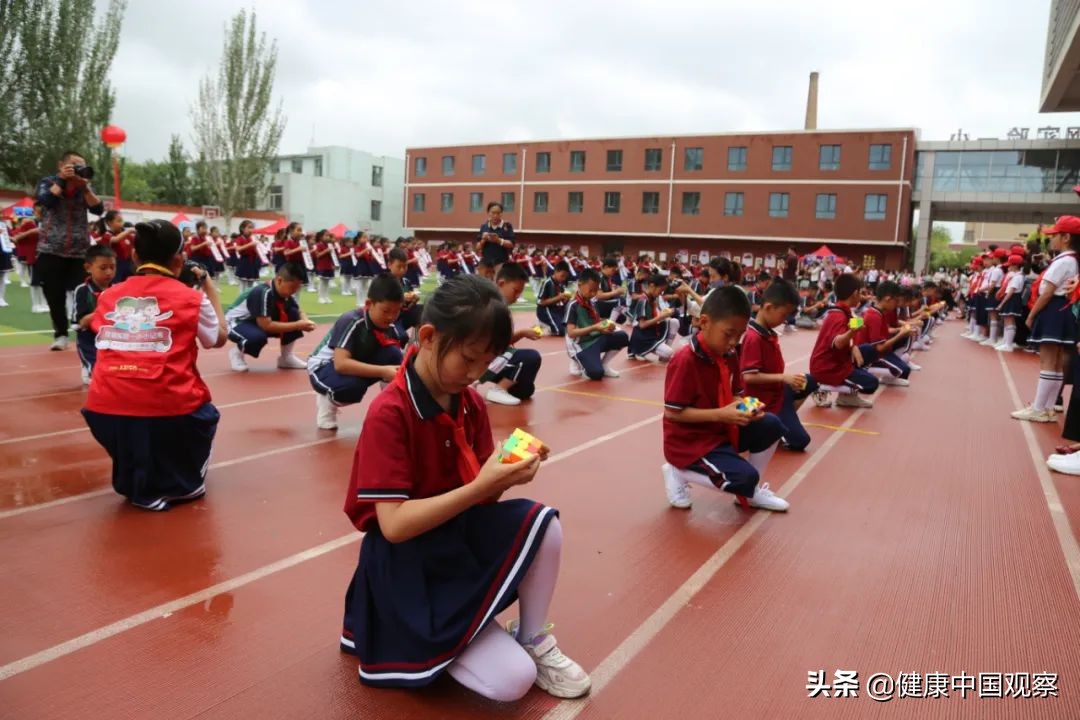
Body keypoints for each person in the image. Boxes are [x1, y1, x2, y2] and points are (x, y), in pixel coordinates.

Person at [339, 274, 590, 701]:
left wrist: (505, 474)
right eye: (468, 360)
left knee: (543, 524)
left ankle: (530, 635)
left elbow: (480, 491)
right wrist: (482, 488)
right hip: (407, 565)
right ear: (430, 337)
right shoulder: (390, 413)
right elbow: (395, 526)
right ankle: (446, 629)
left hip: (456, 538)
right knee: (512, 682)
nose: (475, 376)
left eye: (486, 364)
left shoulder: (469, 402)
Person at [81, 219, 227, 511]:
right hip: (168, 410)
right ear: (179, 260)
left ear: (134, 257)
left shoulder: (108, 295)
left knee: (134, 411)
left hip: (103, 410)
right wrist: (209, 287)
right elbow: (218, 339)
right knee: (201, 416)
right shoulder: (192, 298)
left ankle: (140, 480)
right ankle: (176, 485)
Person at [660, 286, 789, 512]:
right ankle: (677, 471)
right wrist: (722, 414)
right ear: (704, 322)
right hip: (691, 443)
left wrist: (747, 406)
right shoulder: (685, 360)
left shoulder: (730, 354)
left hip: (722, 430)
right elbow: (673, 412)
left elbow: (737, 393)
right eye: (729, 334)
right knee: (744, 479)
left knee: (772, 424)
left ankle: (751, 492)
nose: (734, 341)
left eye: (740, 335)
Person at [308, 274, 404, 430]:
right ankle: (327, 402)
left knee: (394, 355)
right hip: (324, 367)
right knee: (353, 387)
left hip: (356, 361)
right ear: (369, 304)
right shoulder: (351, 321)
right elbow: (340, 364)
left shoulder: (390, 328)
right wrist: (383, 371)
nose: (391, 317)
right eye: (386, 311)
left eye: (397, 311)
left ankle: (388, 407)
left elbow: (397, 359)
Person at [36, 150, 106, 350]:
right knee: (54, 294)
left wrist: (84, 188)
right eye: (74, 165)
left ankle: (85, 333)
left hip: (79, 251)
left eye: (81, 166)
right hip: (51, 248)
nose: (78, 169)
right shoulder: (48, 182)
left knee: (83, 293)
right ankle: (60, 334)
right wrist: (61, 180)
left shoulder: (84, 186)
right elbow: (46, 201)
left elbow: (98, 210)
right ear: (61, 165)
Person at [1014, 216, 1080, 423]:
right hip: (1062, 309)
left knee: (1048, 361)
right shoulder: (1072, 260)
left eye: (1054, 235)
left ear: (1066, 237)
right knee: (1057, 362)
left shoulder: (1065, 261)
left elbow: (1048, 291)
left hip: (1053, 309)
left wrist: (1032, 315)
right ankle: (1048, 407)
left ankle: (1040, 407)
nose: (1051, 239)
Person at [740, 279, 818, 452]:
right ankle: (775, 426)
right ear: (768, 308)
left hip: (776, 393)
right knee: (800, 441)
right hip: (759, 400)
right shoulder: (753, 338)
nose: (785, 320)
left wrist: (788, 380)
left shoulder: (768, 332)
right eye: (783, 315)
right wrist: (784, 378)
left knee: (809, 380)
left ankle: (785, 418)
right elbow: (749, 377)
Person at [225, 262, 317, 372]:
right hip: (235, 323)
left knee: (293, 313)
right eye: (292, 288)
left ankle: (286, 357)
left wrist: (305, 321)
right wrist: (298, 325)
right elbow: (266, 325)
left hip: (254, 321)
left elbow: (298, 310)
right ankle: (236, 352)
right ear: (279, 280)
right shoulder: (262, 292)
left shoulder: (283, 292)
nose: (294, 291)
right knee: (257, 337)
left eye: (297, 288)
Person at [808, 273, 880, 408]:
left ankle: (847, 397)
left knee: (869, 350)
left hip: (838, 361)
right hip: (827, 368)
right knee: (871, 384)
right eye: (861, 293)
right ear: (854, 293)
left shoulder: (844, 310)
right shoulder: (837, 315)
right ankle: (819, 385)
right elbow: (838, 342)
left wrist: (853, 346)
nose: (862, 296)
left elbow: (849, 335)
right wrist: (854, 331)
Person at [479, 262, 543, 405]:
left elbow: (503, 341)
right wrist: (521, 333)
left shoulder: (502, 307)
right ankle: (497, 389)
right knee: (531, 357)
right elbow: (493, 343)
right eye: (515, 291)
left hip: (498, 357)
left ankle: (502, 385)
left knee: (525, 390)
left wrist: (524, 333)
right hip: (484, 358)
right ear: (501, 283)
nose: (517, 296)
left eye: (520, 292)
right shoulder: (488, 306)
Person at [565, 268, 630, 380]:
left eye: (596, 290)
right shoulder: (573, 305)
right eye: (591, 290)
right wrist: (595, 327)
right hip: (581, 344)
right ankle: (577, 360)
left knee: (622, 336)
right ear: (580, 284)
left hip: (594, 338)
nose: (594, 294)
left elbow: (596, 321)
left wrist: (605, 326)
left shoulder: (592, 302)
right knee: (596, 374)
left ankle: (603, 365)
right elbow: (571, 333)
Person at [72, 245, 117, 385]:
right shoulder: (82, 291)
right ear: (88, 268)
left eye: (112, 267)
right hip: (89, 338)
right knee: (97, 378)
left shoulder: (118, 289)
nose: (109, 272)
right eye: (103, 268)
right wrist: (104, 311)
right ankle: (88, 367)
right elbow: (81, 322)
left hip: (112, 336)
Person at [628, 273, 680, 362]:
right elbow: (642, 325)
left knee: (674, 322)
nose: (661, 293)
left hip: (652, 331)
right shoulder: (643, 300)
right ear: (652, 286)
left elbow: (657, 315)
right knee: (670, 353)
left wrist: (666, 313)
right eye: (661, 290)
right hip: (642, 337)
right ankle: (639, 351)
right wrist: (660, 317)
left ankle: (663, 352)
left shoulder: (653, 298)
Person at [536, 261, 572, 336]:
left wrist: (566, 299)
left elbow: (561, 300)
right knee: (561, 331)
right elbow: (540, 302)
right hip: (545, 310)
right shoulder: (547, 283)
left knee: (569, 324)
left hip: (556, 309)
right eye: (562, 276)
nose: (564, 279)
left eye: (566, 277)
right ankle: (545, 324)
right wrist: (558, 297)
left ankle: (552, 324)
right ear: (555, 272)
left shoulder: (560, 284)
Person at [477, 201, 515, 268]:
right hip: (486, 263)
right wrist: (483, 240)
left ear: (501, 213)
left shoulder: (507, 226)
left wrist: (498, 240)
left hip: (501, 263)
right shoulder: (484, 226)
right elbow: (478, 247)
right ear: (488, 213)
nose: (495, 216)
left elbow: (511, 245)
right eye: (493, 213)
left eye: (498, 213)